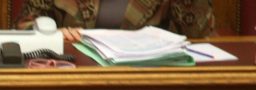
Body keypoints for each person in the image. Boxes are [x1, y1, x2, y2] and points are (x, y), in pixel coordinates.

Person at [15, 0, 214, 43]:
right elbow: (23, 28)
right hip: (75, 82)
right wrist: (50, 35)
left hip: (150, 84)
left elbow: (198, 35)